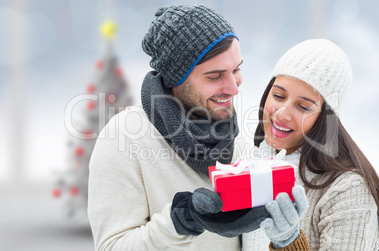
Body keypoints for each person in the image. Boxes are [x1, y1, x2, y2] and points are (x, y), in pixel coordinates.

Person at [87, 4, 262, 250]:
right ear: (176, 79)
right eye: (215, 76)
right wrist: (178, 222)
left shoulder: (233, 137)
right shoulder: (124, 138)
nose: (234, 88)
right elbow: (112, 246)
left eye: (237, 69)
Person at [241, 39, 379, 250]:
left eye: (303, 107)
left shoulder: (348, 191)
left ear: (325, 118)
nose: (282, 113)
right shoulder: (251, 165)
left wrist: (289, 243)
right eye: (278, 95)